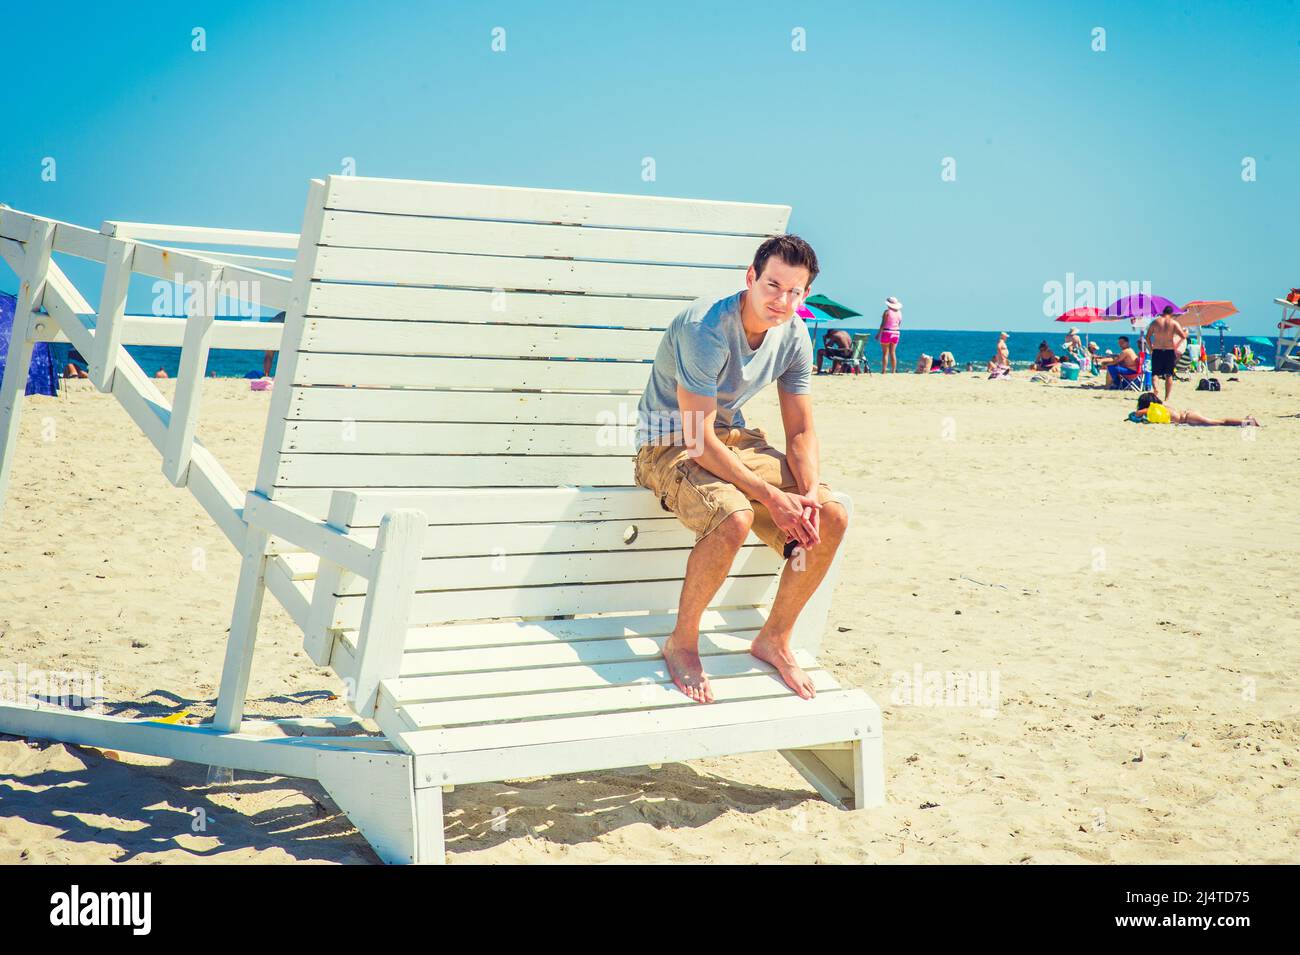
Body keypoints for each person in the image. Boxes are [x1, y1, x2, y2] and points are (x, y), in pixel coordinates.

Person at [632, 235, 847, 703]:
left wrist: (807, 494)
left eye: (795, 292)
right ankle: (682, 641)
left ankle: (775, 638)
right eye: (773, 285)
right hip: (668, 443)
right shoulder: (703, 327)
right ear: (751, 278)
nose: (782, 300)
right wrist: (772, 497)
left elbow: (801, 431)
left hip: (733, 438)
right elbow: (697, 440)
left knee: (830, 515)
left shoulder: (794, 336)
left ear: (805, 295)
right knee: (733, 516)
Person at [1136, 392, 1259, 427]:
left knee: (1219, 422)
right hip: (1188, 414)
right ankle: (1246, 420)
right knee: (1218, 421)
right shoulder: (1161, 407)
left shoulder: (1153, 409)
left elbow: (1137, 414)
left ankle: (1247, 421)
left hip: (1188, 418)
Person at [1145, 305, 1187, 402]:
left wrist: (1151, 348)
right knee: (1169, 374)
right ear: (1171, 314)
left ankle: (1155, 389)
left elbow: (1147, 337)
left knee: (1155, 373)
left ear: (1163, 312)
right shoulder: (1174, 323)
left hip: (1157, 349)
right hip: (1169, 350)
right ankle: (1167, 397)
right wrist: (1176, 345)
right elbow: (1183, 336)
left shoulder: (1155, 322)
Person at [878, 297, 902, 373]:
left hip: (887, 332)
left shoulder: (887, 312)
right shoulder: (899, 313)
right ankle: (893, 370)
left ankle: (884, 370)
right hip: (896, 332)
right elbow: (899, 323)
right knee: (893, 352)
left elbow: (882, 324)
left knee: (885, 353)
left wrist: (878, 334)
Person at [262, 310, 287, 377]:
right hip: (282, 325)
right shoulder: (292, 314)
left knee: (268, 355)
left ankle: (266, 375)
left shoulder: (280, 314)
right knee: (287, 355)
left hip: (271, 326)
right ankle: (284, 375)